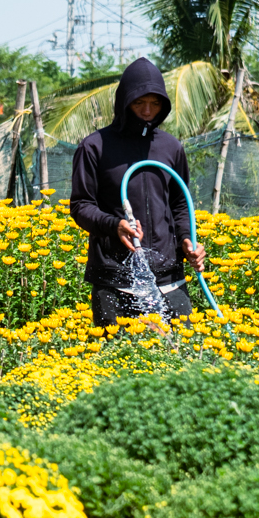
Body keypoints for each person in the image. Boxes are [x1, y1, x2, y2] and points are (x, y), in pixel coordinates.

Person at [68, 56, 207, 333]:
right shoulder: (95, 147)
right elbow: (81, 205)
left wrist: (188, 241)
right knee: (120, 362)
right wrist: (113, 225)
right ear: (124, 103)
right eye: (139, 102)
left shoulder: (170, 147)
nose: (147, 111)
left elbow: (180, 205)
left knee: (182, 357)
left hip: (169, 278)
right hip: (114, 278)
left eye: (155, 104)